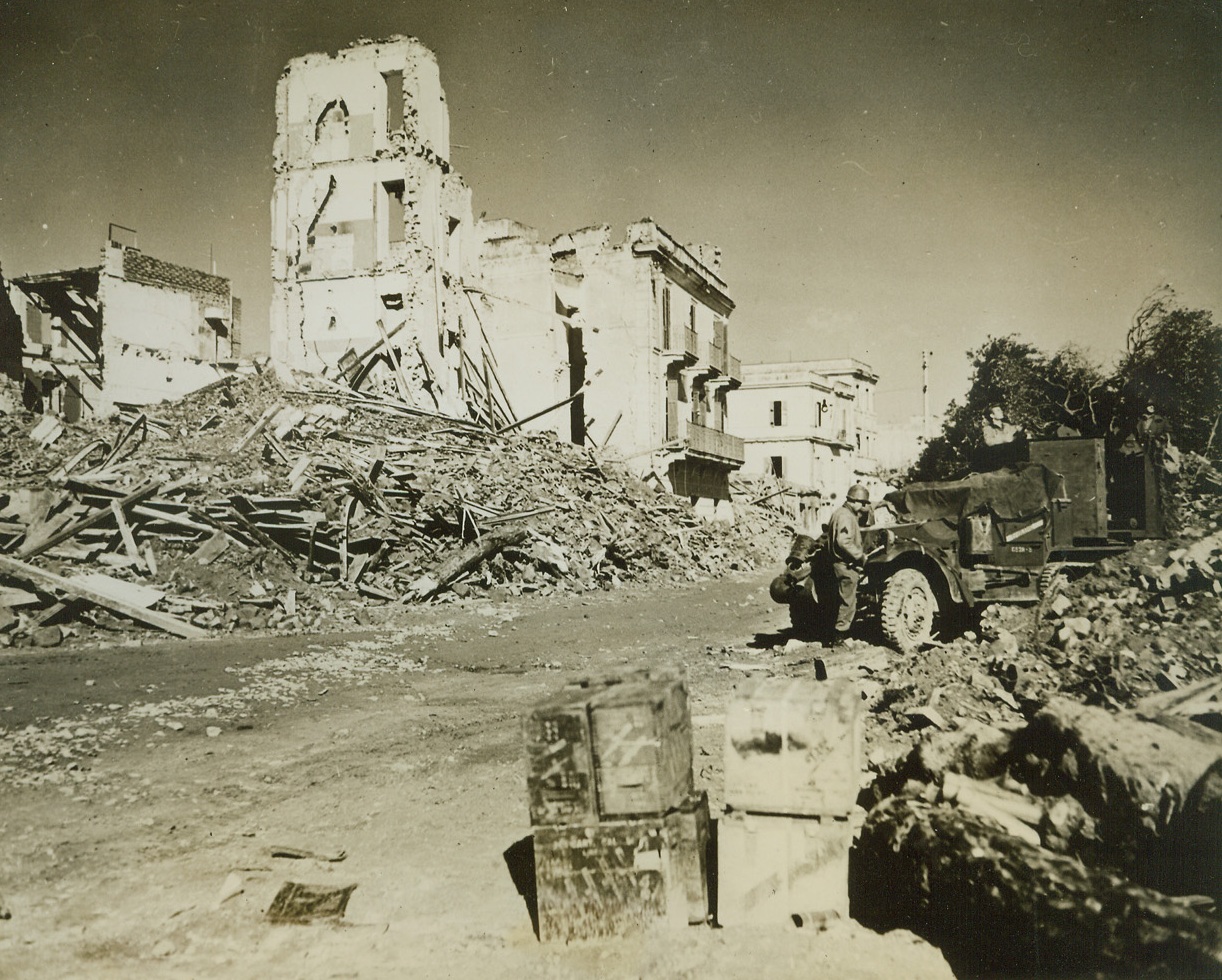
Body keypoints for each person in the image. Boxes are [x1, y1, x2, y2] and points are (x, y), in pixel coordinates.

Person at [826, 484, 871, 646]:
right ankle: (840, 637)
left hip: (840, 564)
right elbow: (843, 541)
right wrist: (861, 557)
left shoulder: (839, 512)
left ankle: (837, 635)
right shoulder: (846, 516)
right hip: (844, 565)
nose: (863, 507)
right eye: (862, 503)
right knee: (848, 601)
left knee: (843, 599)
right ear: (854, 501)